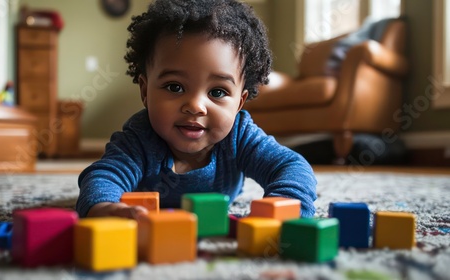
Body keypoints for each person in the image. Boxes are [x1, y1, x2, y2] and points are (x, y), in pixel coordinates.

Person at [76, 0, 317, 219]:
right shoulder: (139, 138)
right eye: (175, 86)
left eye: (218, 92)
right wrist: (104, 206)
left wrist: (285, 203)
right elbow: (104, 175)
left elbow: (291, 166)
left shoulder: (240, 135)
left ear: (239, 103)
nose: (195, 106)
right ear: (145, 91)